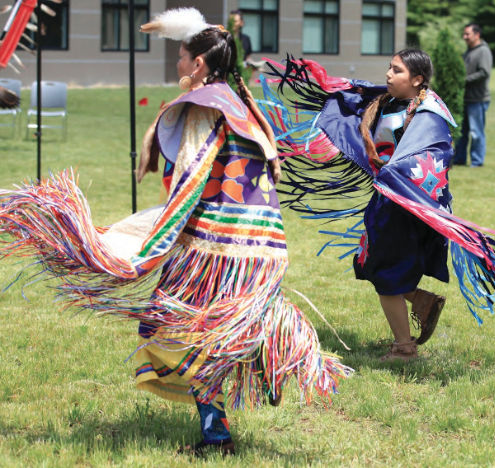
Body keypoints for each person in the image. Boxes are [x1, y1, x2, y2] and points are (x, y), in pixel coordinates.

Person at [0, 7, 350, 456]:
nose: (179, 66)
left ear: (198, 65)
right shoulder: (242, 104)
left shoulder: (202, 107)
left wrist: (149, 247)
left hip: (217, 252)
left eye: (182, 58)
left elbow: (190, 178)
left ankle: (247, 396)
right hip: (264, 247)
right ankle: (254, 386)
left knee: (178, 334)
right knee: (209, 335)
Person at [256, 49, 495, 362]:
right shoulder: (384, 102)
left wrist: (393, 176)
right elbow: (353, 100)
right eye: (389, 68)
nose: (388, 74)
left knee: (385, 273)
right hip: (386, 198)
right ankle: (420, 302)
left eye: (397, 70)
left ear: (417, 79)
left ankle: (404, 348)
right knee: (370, 264)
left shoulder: (429, 114)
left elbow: (429, 157)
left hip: (405, 204)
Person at [453, 23, 492, 168]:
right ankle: (459, 159)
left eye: (467, 34)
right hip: (466, 98)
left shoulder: (483, 51)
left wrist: (463, 80)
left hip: (478, 99)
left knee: (476, 132)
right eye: (464, 34)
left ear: (477, 35)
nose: (464, 37)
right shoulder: (469, 52)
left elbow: (484, 72)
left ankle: (476, 161)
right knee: (462, 132)